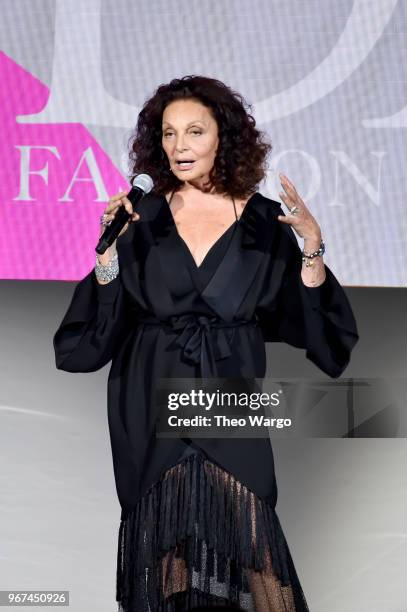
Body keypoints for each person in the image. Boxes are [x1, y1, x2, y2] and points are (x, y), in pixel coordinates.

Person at [53, 75, 359, 611]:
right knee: (165, 560)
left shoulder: (264, 219)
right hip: (147, 394)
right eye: (169, 134)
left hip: (227, 390)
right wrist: (107, 261)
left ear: (225, 137)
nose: (180, 146)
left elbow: (321, 334)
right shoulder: (138, 216)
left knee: (258, 556)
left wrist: (311, 248)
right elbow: (85, 346)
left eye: (195, 131)